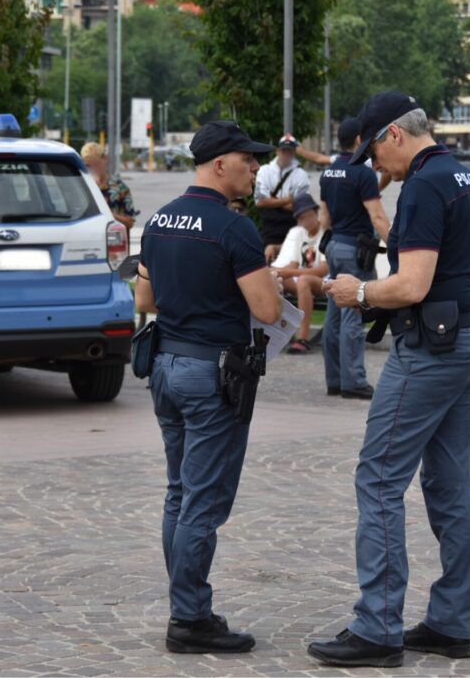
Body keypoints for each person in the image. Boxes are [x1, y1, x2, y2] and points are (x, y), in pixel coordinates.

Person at [308, 92, 470, 667]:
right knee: (448, 484)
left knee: (380, 476)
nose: (373, 166)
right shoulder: (465, 177)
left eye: (373, 152)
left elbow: (412, 284)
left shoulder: (421, 186)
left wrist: (357, 291)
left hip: (433, 349)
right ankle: (450, 623)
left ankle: (378, 628)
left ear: (394, 135)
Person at [133, 120, 281, 654]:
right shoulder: (233, 227)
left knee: (179, 494)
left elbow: (145, 300)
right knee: (202, 501)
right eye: (249, 159)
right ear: (220, 164)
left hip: (167, 367)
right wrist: (269, 282)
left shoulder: (159, 219)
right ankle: (189, 618)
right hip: (211, 375)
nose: (256, 167)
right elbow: (265, 309)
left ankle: (188, 608)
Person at [319, 117, 392, 399]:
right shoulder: (362, 173)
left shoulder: (329, 172)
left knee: (333, 315)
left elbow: (324, 216)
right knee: (353, 311)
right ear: (360, 140)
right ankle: (354, 381)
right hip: (355, 249)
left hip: (334, 244)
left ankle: (335, 379)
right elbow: (376, 215)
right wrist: (396, 246)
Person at [272, 193, 329, 354]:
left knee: (303, 280)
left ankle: (302, 338)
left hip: (322, 282)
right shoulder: (300, 234)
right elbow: (293, 264)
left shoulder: (325, 233)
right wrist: (278, 273)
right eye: (302, 218)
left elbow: (323, 270)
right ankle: (273, 333)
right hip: (302, 282)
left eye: (309, 215)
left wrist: (289, 271)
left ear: (316, 213)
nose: (306, 221)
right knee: (275, 278)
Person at [254, 133, 310, 262]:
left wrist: (272, 200)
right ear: (278, 150)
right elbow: (260, 202)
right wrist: (288, 200)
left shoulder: (301, 175)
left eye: (290, 151)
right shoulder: (264, 171)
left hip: (292, 226)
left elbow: (299, 208)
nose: (287, 154)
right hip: (269, 229)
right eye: (284, 150)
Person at [80, 142, 137, 229]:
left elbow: (130, 222)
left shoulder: (120, 187)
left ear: (104, 159)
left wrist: (109, 214)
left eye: (96, 164)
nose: (93, 168)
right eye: (88, 166)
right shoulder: (81, 187)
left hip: (114, 239)